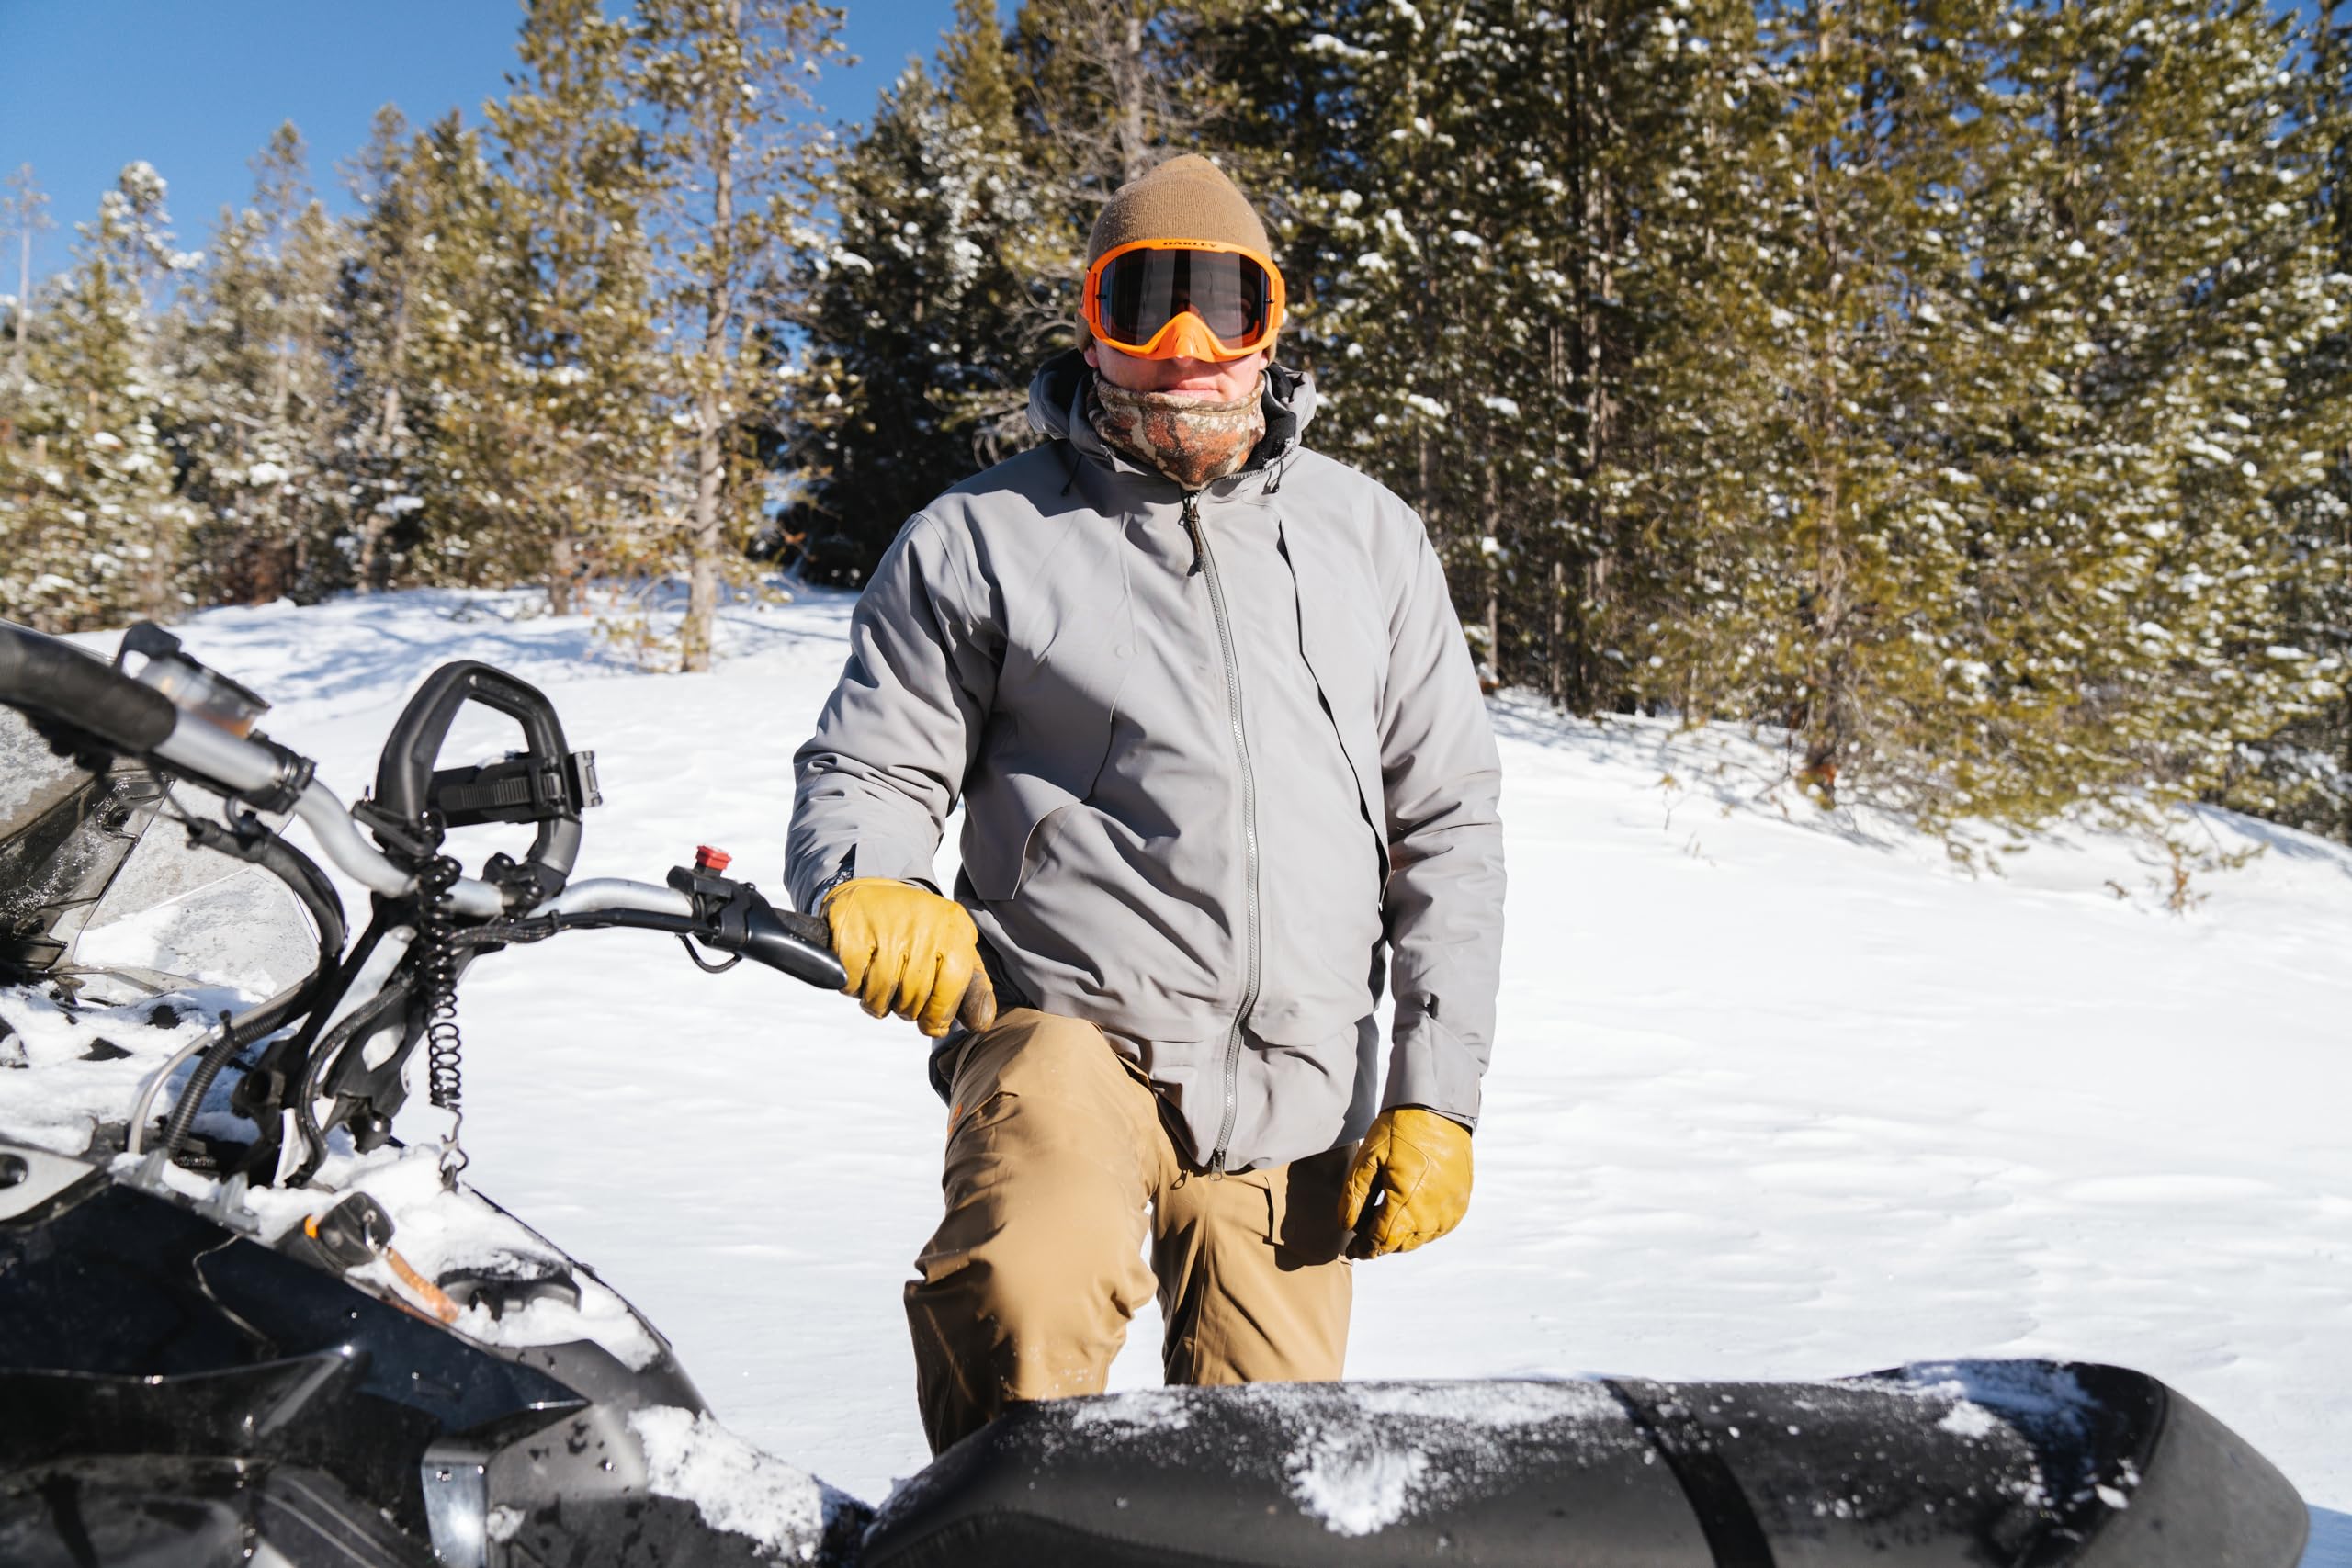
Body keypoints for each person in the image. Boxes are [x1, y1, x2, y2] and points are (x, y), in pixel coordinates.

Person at [786, 153, 1505, 1456]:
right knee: (1025, 1295)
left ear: (1270, 327)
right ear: (1090, 327)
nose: (1186, 352)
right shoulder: (980, 537)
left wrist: (1436, 1097)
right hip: (1071, 1035)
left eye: (1223, 307)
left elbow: (1447, 825)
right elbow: (873, 762)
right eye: (1142, 306)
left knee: (1273, 1473)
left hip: (1299, 1084)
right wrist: (870, 875)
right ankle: (990, 1535)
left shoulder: (1370, 537)